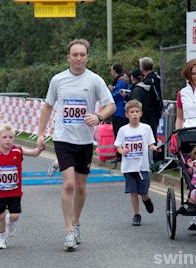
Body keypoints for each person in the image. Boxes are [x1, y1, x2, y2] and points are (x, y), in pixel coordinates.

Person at [37, 39, 115, 251]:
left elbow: (111, 105)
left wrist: (99, 117)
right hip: (63, 138)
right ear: (68, 57)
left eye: (82, 54)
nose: (78, 58)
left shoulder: (95, 80)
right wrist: (41, 133)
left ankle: (77, 221)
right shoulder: (58, 79)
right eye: (75, 54)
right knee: (69, 185)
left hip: (85, 140)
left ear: (87, 57)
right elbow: (47, 107)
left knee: (80, 187)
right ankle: (69, 230)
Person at [0, 123, 43, 249]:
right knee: (0, 215)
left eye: (10, 137)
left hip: (15, 190)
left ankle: (10, 222)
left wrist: (39, 149)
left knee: (14, 216)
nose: (8, 140)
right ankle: (1, 238)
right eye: (4, 137)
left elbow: (34, 153)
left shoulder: (18, 150)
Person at [114, 100, 161, 226]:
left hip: (142, 166)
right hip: (128, 167)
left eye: (137, 112)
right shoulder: (123, 130)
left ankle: (146, 199)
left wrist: (155, 148)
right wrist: (122, 150)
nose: (134, 114)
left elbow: (151, 143)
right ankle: (137, 215)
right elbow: (118, 145)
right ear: (127, 115)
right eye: (132, 112)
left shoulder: (146, 128)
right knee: (133, 191)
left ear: (141, 113)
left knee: (143, 191)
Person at [129, 68, 157, 139]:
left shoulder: (136, 90)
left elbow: (135, 105)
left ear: (132, 77)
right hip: (150, 119)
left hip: (141, 121)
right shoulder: (147, 88)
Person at [110, 64, 129, 162]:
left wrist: (111, 90)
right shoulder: (119, 81)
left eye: (111, 70)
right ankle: (119, 154)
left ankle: (119, 155)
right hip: (119, 111)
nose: (110, 72)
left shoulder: (120, 82)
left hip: (119, 111)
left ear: (114, 70)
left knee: (118, 134)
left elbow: (116, 95)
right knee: (118, 133)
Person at [139, 57, 163, 134]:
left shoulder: (150, 80)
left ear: (142, 67)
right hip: (152, 113)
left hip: (151, 113)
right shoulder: (155, 77)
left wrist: (158, 108)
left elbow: (156, 97)